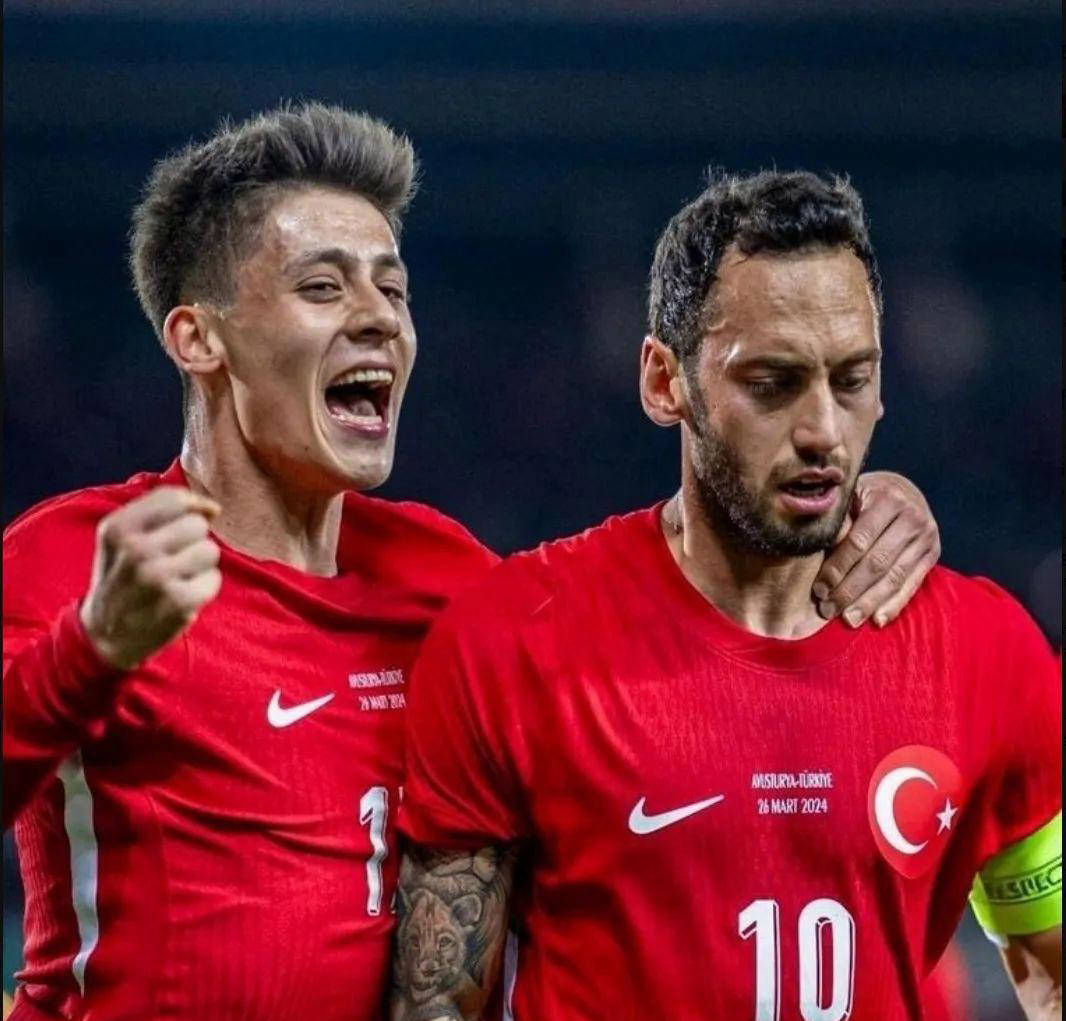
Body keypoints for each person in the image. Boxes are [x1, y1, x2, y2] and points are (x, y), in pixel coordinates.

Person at [2, 103, 939, 1020]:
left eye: (393, 290)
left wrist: (843, 503)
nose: (378, 319)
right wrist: (92, 650)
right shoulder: (75, 558)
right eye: (323, 288)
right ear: (198, 337)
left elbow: (673, 622)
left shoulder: (444, 575)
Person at [393, 169, 1062, 1020]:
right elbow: (436, 1005)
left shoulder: (985, 650)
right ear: (664, 381)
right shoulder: (516, 640)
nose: (822, 431)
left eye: (851, 379)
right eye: (772, 384)